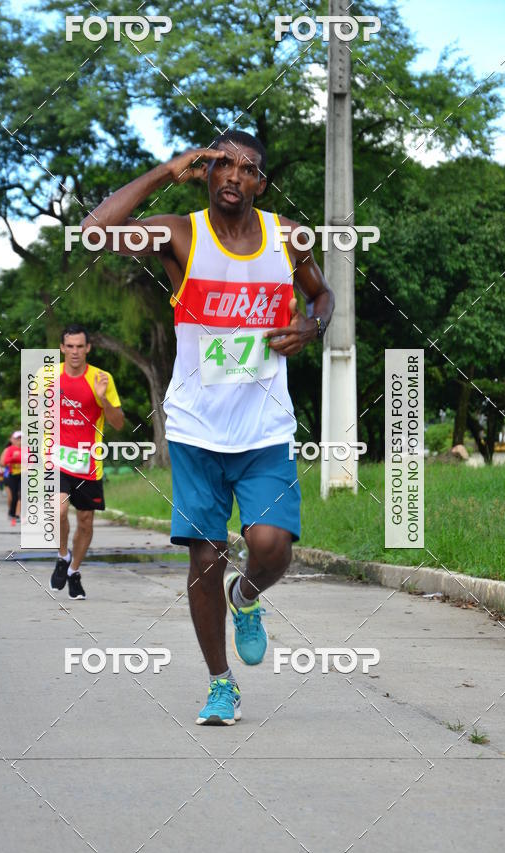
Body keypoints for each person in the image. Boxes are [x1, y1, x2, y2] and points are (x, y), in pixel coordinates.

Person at [82, 130, 334, 725]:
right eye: (219, 163)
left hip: (265, 427)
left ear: (259, 185)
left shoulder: (288, 238)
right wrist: (167, 171)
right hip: (196, 428)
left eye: (245, 168)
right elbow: (95, 232)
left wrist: (312, 328)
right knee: (206, 553)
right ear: (205, 172)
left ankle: (247, 598)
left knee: (271, 548)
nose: (231, 174)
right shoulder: (180, 233)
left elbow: (322, 297)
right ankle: (221, 683)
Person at [48, 324, 125, 600]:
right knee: (58, 510)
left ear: (88, 348)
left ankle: (73, 571)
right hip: (56, 457)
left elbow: (117, 423)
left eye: (80, 346)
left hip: (88, 461)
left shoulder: (102, 378)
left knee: (85, 523)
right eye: (69, 346)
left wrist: (102, 398)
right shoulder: (47, 376)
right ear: (61, 348)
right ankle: (62, 554)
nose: (75, 352)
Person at [0, 432, 22, 526]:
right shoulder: (8, 449)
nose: (19, 440)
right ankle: (11, 511)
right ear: (12, 439)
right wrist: (13, 458)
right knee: (11, 497)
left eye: (21, 438)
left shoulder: (27, 449)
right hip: (9, 475)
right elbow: (2, 463)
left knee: (20, 495)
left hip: (22, 475)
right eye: (17, 438)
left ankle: (17, 515)